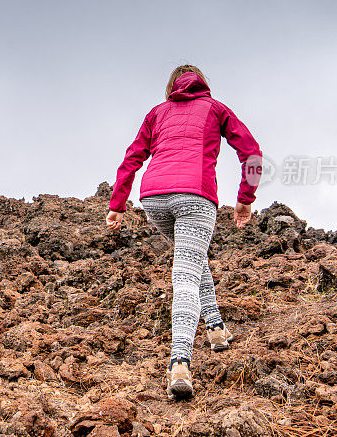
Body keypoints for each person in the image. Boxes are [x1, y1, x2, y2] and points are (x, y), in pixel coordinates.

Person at [106, 64, 262, 400]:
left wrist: (117, 204)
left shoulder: (157, 112)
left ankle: (217, 329)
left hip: (154, 200)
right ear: (202, 84)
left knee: (192, 257)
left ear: (171, 86)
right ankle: (180, 362)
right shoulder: (216, 108)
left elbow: (132, 157)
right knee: (186, 276)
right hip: (195, 196)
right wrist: (245, 201)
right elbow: (252, 154)